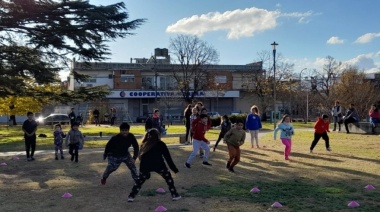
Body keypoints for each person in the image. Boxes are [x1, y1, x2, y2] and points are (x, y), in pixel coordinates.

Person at [127, 129, 181, 202]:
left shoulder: (144, 143)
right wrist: (174, 169)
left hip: (145, 166)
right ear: (158, 135)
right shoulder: (161, 144)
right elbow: (168, 158)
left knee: (139, 182)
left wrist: (144, 172)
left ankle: (131, 196)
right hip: (159, 165)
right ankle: (174, 194)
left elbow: (141, 158)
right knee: (168, 179)